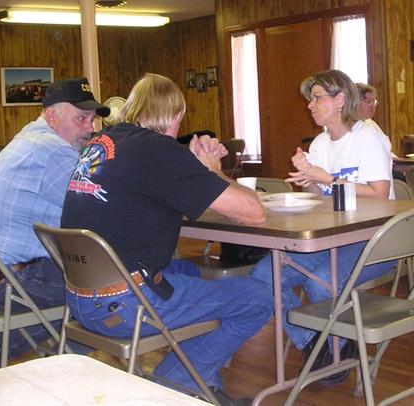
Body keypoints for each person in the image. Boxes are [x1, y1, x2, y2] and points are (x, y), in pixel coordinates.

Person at [61, 73, 273, 405]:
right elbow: (253, 212)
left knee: (192, 272)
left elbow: (147, 190)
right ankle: (172, 386)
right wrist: (212, 170)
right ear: (175, 116)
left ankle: (202, 384)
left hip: (78, 297)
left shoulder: (104, 143)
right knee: (258, 298)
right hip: (127, 304)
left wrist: (193, 171)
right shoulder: (158, 150)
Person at [251, 69, 396, 384]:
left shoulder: (367, 135)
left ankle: (330, 349)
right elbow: (321, 199)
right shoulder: (319, 143)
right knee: (264, 275)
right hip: (332, 238)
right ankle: (319, 346)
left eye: (317, 98)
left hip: (373, 240)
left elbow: (379, 193)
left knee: (321, 283)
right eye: (310, 99)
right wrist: (308, 180)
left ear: (340, 100)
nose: (310, 105)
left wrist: (325, 177)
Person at [0, 78, 110, 372]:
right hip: (14, 280)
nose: (90, 128)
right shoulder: (54, 150)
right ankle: (67, 369)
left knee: (98, 287)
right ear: (51, 116)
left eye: (93, 119)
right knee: (112, 294)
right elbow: (100, 210)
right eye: (81, 118)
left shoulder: (26, 141)